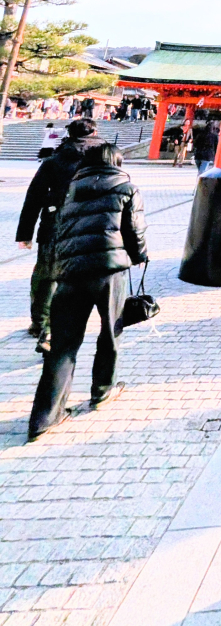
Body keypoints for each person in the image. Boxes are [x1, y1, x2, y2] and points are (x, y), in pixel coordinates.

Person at [28, 143, 147, 440]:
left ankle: (44, 418)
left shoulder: (72, 188)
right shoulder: (127, 186)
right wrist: (139, 256)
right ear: (116, 161)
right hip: (108, 271)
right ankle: (102, 391)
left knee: (63, 346)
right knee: (110, 332)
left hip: (70, 273)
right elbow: (135, 231)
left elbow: (60, 229)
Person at [17, 118, 102, 350]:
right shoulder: (104, 160)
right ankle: (65, 326)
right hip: (91, 225)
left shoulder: (54, 161)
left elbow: (33, 197)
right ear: (94, 132)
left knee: (46, 275)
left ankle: (40, 323)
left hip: (55, 223)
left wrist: (25, 234)